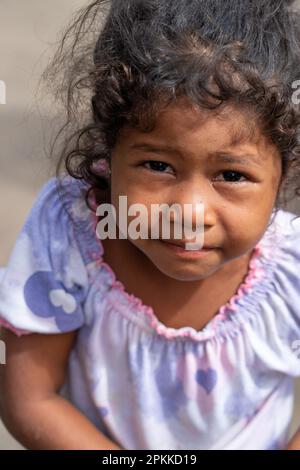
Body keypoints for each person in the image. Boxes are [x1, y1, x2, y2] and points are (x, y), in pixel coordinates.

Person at [1, 0, 300, 450]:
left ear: (284, 172)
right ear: (109, 152)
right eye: (158, 165)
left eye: (232, 175)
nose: (190, 211)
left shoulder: (292, 269)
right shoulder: (74, 227)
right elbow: (30, 398)